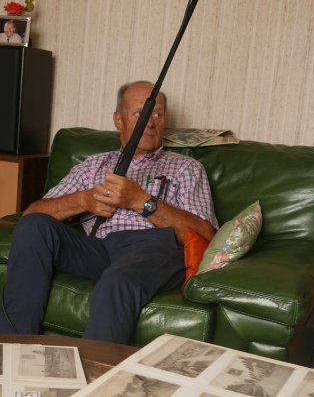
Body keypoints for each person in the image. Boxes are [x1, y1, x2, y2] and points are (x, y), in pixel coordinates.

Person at [0, 80, 218, 343]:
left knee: (118, 280)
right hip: (100, 248)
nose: (150, 123)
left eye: (158, 114)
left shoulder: (186, 168)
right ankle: (11, 349)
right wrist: (84, 200)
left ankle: (93, 368)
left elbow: (205, 233)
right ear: (118, 120)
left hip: (155, 249)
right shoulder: (94, 165)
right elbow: (33, 214)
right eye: (139, 114)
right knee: (33, 228)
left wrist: (142, 201)